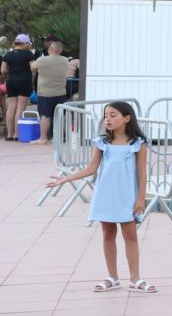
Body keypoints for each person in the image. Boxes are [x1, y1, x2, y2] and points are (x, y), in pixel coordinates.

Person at [45, 100, 154, 293]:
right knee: (108, 233)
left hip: (127, 196)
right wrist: (65, 179)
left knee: (130, 234)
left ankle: (135, 278)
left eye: (113, 115)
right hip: (106, 194)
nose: (108, 119)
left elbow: (142, 173)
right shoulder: (102, 142)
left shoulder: (138, 144)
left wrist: (141, 198)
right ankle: (112, 277)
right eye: (106, 115)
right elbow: (91, 169)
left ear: (127, 118)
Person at [31, 40, 75, 149]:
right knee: (60, 115)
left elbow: (32, 68)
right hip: (61, 92)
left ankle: (43, 138)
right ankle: (59, 137)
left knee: (45, 116)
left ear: (50, 49)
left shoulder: (42, 60)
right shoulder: (65, 60)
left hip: (45, 93)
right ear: (61, 50)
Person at [3, 32, 33, 140]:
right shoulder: (28, 54)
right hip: (24, 81)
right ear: (24, 43)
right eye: (28, 44)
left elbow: (2, 70)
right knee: (20, 107)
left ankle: (9, 134)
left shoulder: (8, 55)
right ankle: (17, 134)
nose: (29, 46)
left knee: (11, 107)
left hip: (11, 81)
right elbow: (33, 68)